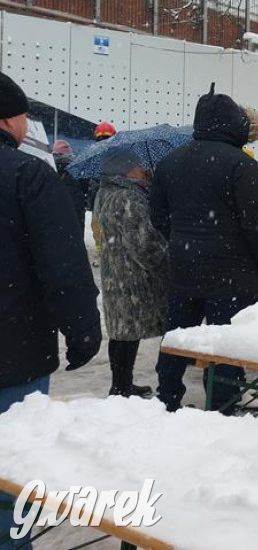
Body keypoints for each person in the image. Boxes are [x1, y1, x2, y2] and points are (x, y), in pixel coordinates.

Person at [0, 73, 101, 542]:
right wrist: (81, 327)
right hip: (12, 352)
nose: (28, 124)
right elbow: (62, 262)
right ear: (7, 119)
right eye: (25, 115)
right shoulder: (27, 175)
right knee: (10, 472)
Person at [151, 86, 258, 413]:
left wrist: (182, 241)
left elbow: (158, 217)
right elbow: (256, 222)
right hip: (231, 275)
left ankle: (167, 397)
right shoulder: (240, 165)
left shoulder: (169, 162)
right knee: (225, 343)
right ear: (234, 124)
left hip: (183, 268)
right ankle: (222, 405)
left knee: (177, 337)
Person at [93, 149, 168, 399]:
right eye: (137, 165)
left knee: (122, 330)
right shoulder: (130, 197)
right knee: (129, 331)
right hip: (133, 275)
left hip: (115, 270)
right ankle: (121, 388)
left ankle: (121, 384)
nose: (142, 168)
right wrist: (165, 266)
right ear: (124, 170)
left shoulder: (105, 192)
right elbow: (143, 243)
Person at [89, 120, 118, 257]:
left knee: (100, 228)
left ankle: (103, 253)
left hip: (101, 198)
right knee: (103, 228)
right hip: (107, 197)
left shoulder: (92, 155)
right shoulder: (119, 155)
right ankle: (104, 252)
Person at [53, 139, 87, 231]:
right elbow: (86, 187)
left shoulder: (48, 168)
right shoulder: (77, 169)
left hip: (55, 209)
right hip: (76, 210)